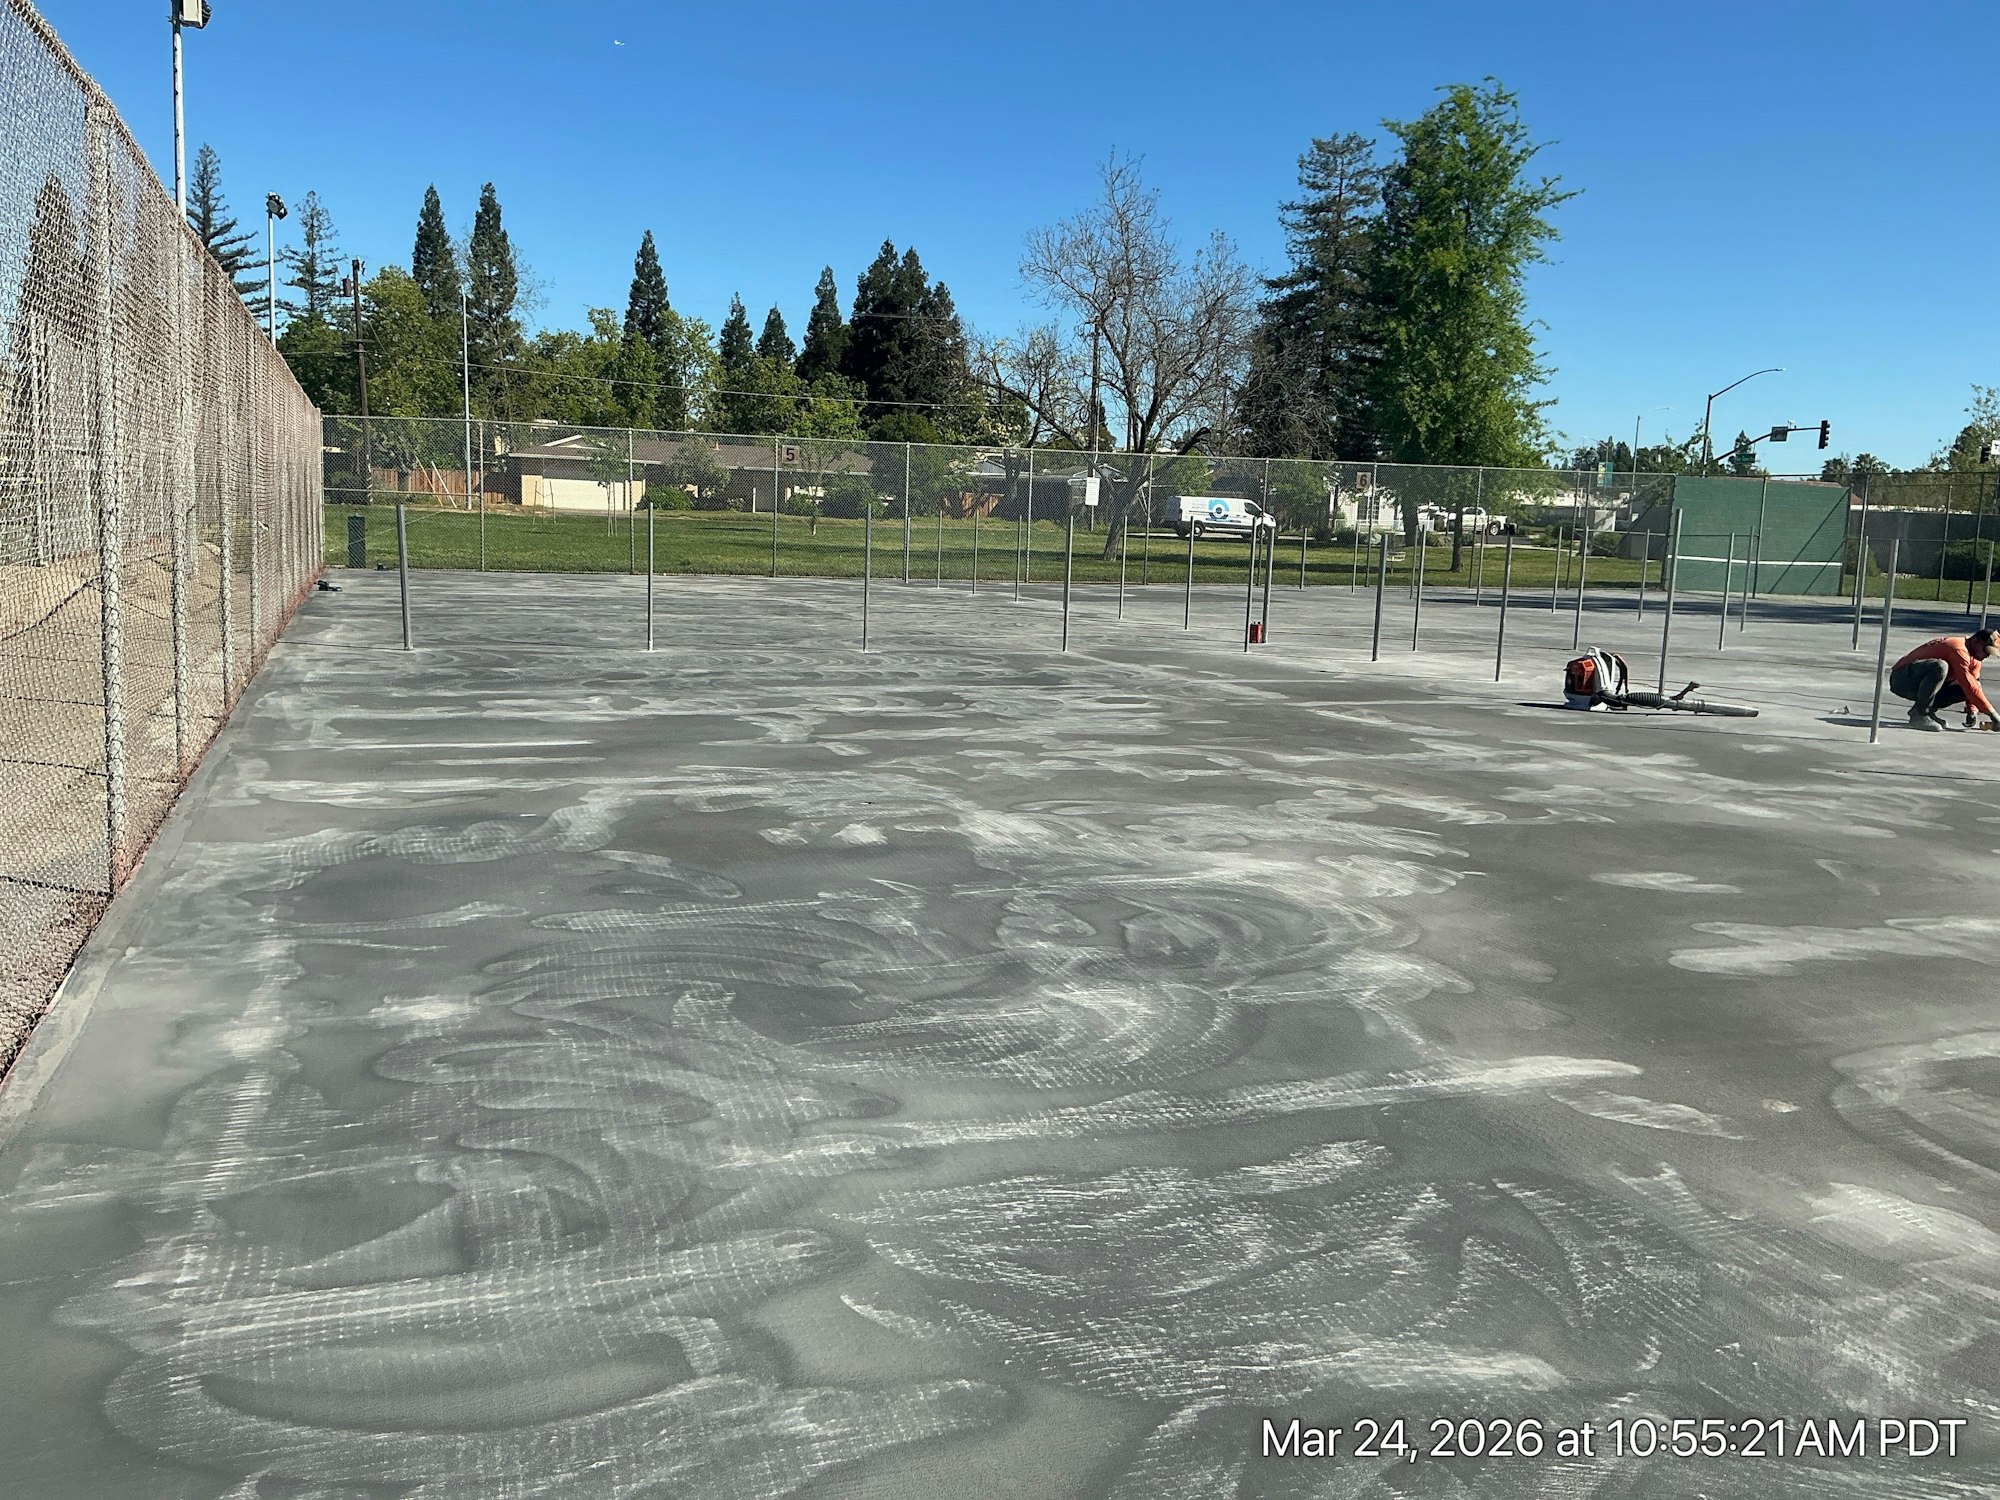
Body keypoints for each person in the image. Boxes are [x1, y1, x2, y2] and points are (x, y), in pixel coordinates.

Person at [1889, 629, 2000, 731]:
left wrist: (1972, 710)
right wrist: (1993, 715)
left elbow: (1973, 685)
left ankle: (1927, 711)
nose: (1987, 655)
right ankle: (1920, 714)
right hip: (1901, 679)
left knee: (1973, 685)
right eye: (1985, 650)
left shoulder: (1975, 660)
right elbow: (1967, 684)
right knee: (1940, 667)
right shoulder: (1958, 648)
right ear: (1975, 641)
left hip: (1918, 683)